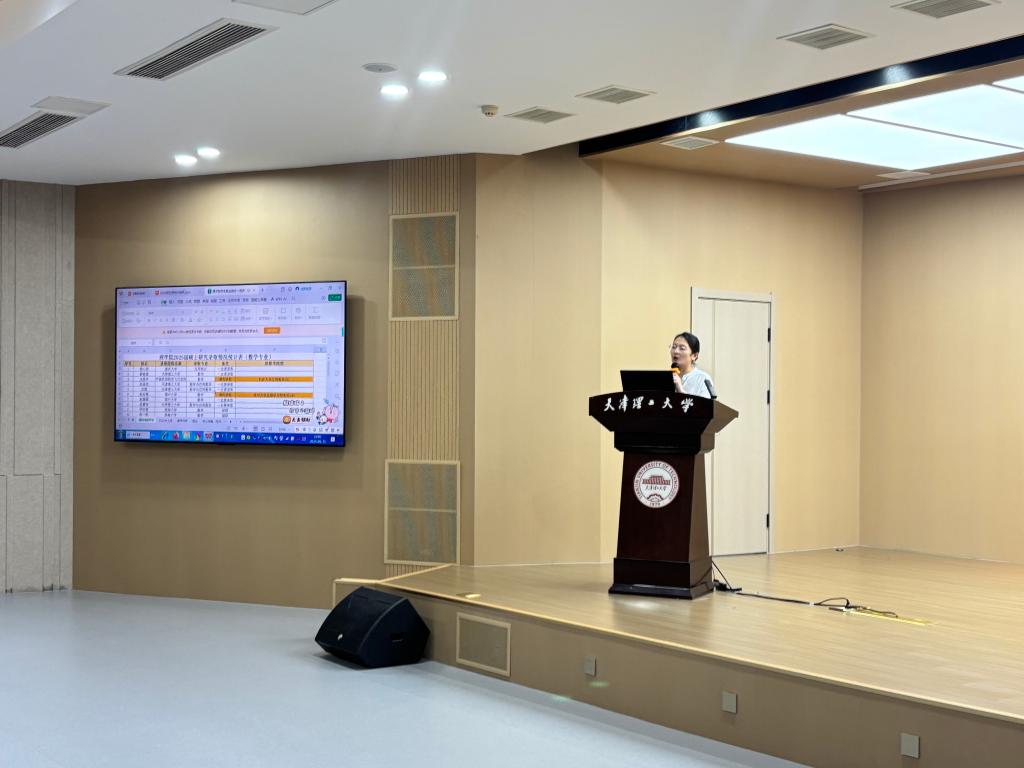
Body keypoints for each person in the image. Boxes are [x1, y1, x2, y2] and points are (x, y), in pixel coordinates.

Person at [670, 332, 715, 398]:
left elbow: (704, 404)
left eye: (682, 348)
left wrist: (681, 390)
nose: (675, 351)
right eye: (674, 347)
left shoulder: (703, 379)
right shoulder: (667, 376)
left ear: (694, 356)